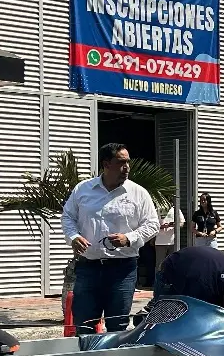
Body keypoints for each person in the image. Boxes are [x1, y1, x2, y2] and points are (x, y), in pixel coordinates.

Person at [61, 143, 160, 334]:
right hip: (88, 267)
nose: (127, 168)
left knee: (117, 326)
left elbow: (153, 224)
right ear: (107, 164)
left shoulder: (138, 193)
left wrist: (129, 238)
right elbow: (68, 216)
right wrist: (73, 236)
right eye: (121, 162)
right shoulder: (83, 189)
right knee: (84, 324)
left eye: (128, 162)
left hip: (122, 270)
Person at [153, 245, 224, 320]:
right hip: (171, 271)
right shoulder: (202, 289)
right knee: (168, 321)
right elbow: (196, 320)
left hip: (202, 263)